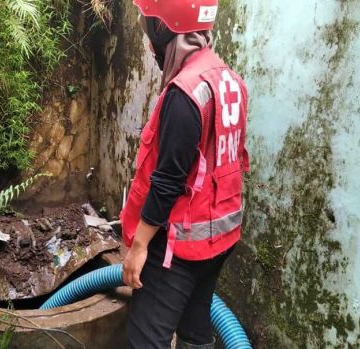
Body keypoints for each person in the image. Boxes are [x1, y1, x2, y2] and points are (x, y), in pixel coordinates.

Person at [119, 1, 249, 348]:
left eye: (148, 22)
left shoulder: (184, 94)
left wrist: (139, 246)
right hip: (220, 235)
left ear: (164, 28)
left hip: (180, 244)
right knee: (195, 329)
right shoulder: (228, 78)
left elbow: (167, 182)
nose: (146, 34)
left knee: (145, 339)